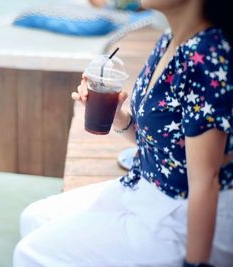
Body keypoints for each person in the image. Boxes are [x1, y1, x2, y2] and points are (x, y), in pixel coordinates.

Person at [13, 0, 233, 266]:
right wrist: (119, 117)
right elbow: (159, 143)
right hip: (145, 187)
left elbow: (205, 181)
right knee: (34, 217)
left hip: (181, 213)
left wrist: (195, 263)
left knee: (30, 253)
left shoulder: (205, 57)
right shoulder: (171, 39)